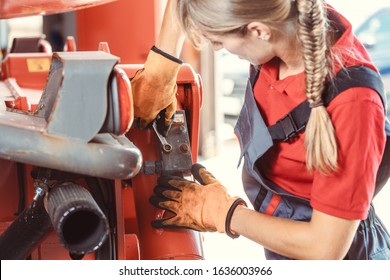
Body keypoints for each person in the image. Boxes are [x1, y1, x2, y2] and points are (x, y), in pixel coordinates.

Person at [136, 0, 390, 259]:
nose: (215, 48)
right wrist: (161, 70)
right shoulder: (283, 15)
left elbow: (324, 249)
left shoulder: (355, 103)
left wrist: (226, 213)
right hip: (281, 241)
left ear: (258, 31)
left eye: (219, 40)